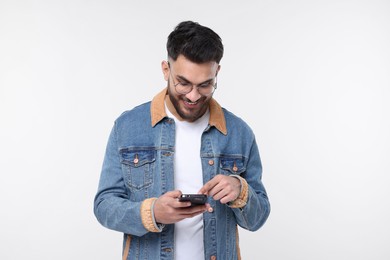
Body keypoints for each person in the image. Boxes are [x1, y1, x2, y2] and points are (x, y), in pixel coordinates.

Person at [94, 21, 270, 260]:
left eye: (205, 84)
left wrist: (241, 191)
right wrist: (152, 212)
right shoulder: (127, 127)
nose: (193, 95)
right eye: (183, 83)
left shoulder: (239, 133)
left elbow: (257, 220)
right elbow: (104, 206)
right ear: (166, 70)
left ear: (217, 72)